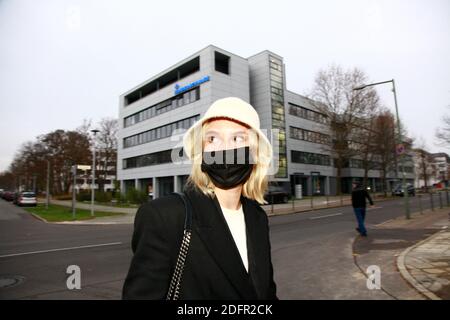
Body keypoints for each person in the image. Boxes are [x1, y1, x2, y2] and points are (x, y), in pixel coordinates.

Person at [122, 97, 278, 300]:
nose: (224, 149)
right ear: (202, 152)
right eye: (212, 139)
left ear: (255, 154)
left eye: (238, 139)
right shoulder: (164, 216)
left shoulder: (257, 217)